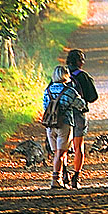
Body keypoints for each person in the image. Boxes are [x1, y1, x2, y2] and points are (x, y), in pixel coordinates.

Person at [43, 65, 87, 189]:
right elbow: (81, 105)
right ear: (66, 75)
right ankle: (55, 180)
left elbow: (45, 106)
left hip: (50, 125)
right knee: (61, 154)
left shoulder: (48, 90)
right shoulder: (69, 91)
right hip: (65, 124)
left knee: (57, 152)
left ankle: (59, 178)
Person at [65, 48, 98, 189]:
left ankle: (64, 173)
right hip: (78, 114)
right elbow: (93, 97)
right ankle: (76, 177)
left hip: (63, 115)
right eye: (82, 60)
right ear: (79, 61)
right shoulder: (83, 77)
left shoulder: (61, 74)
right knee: (78, 147)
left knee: (63, 147)